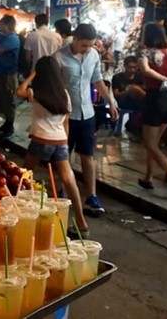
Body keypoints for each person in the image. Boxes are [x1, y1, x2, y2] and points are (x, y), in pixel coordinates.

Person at [18, 56, 90, 236]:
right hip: (60, 141)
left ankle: (20, 213)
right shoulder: (63, 94)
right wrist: (64, 141)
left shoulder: (35, 93)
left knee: (23, 176)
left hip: (40, 140)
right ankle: (81, 222)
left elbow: (19, 90)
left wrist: (32, 75)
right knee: (68, 179)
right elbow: (66, 122)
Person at [55, 23, 118, 216]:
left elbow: (97, 80)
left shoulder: (93, 56)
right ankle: (64, 194)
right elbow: (54, 85)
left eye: (90, 45)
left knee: (88, 156)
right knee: (64, 157)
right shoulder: (58, 58)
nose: (88, 49)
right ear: (75, 40)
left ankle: (91, 195)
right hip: (66, 116)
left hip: (87, 113)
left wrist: (110, 102)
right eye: (84, 45)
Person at [137, 23, 167, 196]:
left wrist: (161, 78)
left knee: (149, 143)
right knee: (155, 143)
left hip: (154, 97)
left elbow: (146, 70)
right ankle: (148, 178)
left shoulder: (144, 52)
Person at [0, 15, 21, 139]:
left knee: (9, 100)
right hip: (2, 72)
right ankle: (6, 123)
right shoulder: (3, 37)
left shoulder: (12, 38)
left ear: (7, 24)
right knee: (2, 99)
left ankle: (10, 126)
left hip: (9, 74)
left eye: (1, 23)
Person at [111, 56, 146, 135]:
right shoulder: (117, 78)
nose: (132, 70)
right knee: (136, 91)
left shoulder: (139, 77)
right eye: (130, 67)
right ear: (125, 66)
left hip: (138, 100)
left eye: (134, 67)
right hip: (124, 101)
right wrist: (128, 91)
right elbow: (116, 94)